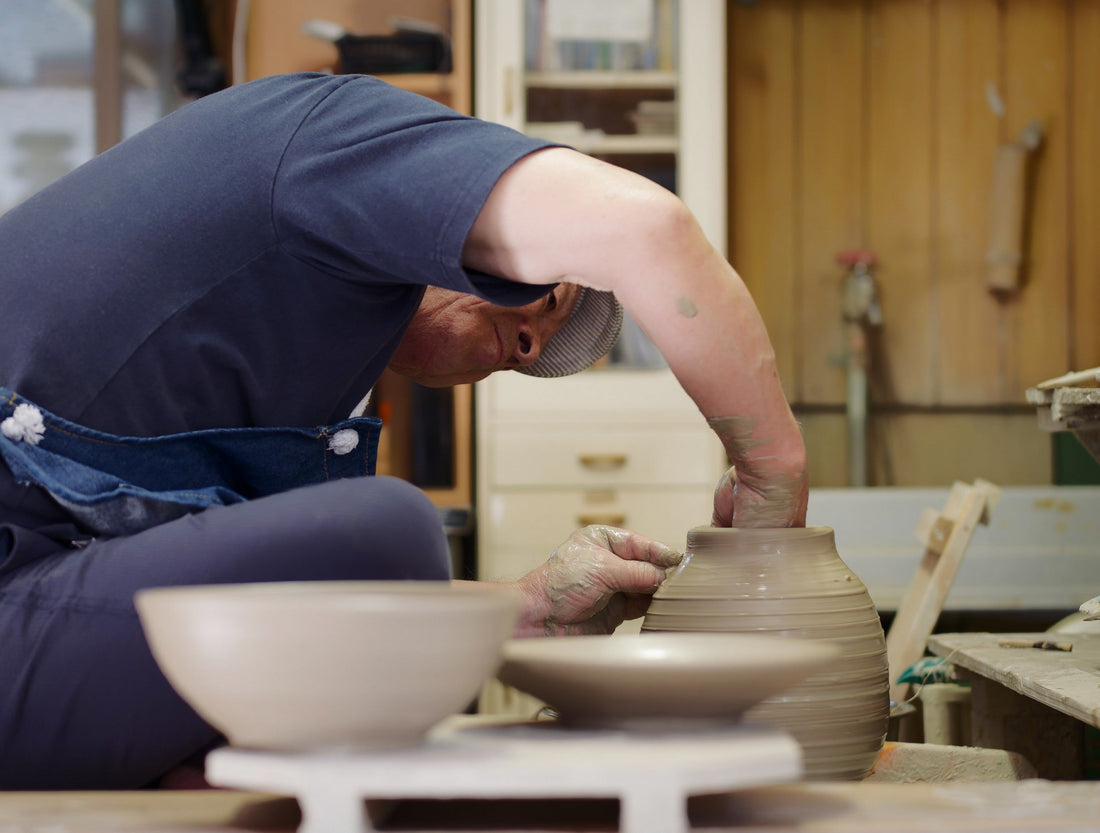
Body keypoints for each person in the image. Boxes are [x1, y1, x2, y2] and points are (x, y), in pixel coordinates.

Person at [0, 72, 807, 789]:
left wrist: (523, 608)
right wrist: (772, 472)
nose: (528, 342)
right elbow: (648, 231)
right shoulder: (326, 136)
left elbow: (278, 602)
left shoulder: (316, 360)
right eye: (548, 300)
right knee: (389, 529)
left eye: (534, 353)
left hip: (39, 604)